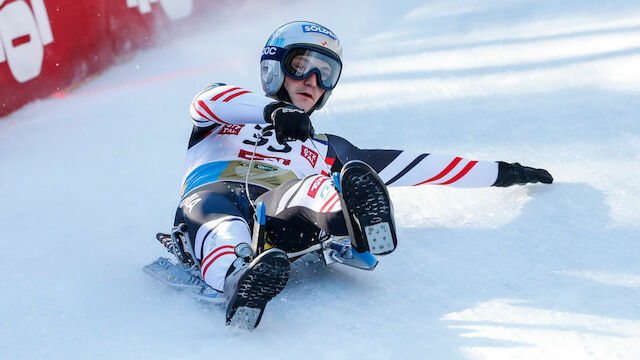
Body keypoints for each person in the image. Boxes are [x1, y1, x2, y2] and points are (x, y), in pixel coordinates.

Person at [171, 21, 553, 329]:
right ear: (274, 67)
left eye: (327, 74)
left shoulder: (326, 146)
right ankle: (240, 279)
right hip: (213, 196)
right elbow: (205, 100)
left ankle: (356, 222)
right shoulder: (227, 112)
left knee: (324, 185)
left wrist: (503, 173)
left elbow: (418, 164)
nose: (313, 82)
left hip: (278, 217)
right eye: (303, 66)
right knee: (215, 215)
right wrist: (272, 113)